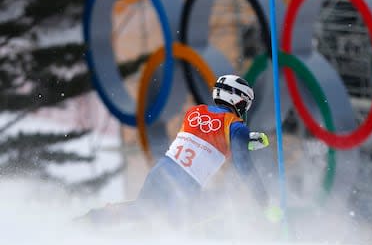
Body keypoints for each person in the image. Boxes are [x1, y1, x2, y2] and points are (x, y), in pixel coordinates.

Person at [81, 75, 275, 230]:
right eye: (244, 104)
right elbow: (243, 166)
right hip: (185, 184)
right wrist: (264, 202)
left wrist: (246, 140)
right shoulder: (236, 127)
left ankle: (90, 220)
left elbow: (211, 135)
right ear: (237, 100)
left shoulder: (195, 112)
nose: (244, 110)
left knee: (141, 211)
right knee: (188, 222)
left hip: (162, 170)